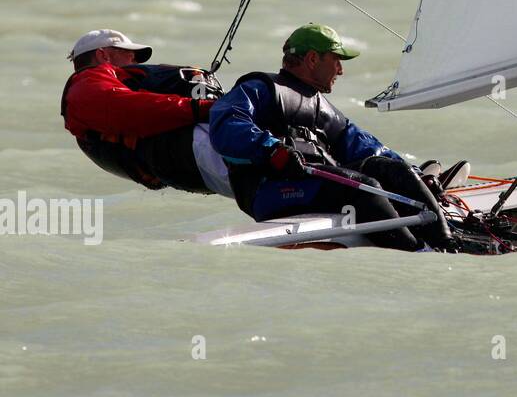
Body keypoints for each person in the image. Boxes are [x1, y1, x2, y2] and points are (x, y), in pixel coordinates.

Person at [208, 23, 451, 251]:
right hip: (269, 191)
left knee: (391, 171)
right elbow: (226, 124)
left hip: (315, 184)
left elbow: (366, 148)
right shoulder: (259, 90)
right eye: (337, 60)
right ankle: (419, 252)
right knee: (366, 187)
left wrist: (416, 175)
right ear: (313, 59)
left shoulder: (320, 106)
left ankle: (447, 242)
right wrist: (271, 149)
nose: (341, 70)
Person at [61, 29, 219, 194]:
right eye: (130, 54)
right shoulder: (84, 85)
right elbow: (134, 109)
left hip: (192, 167)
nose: (136, 62)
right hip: (196, 156)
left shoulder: (89, 95)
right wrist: (206, 108)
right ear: (103, 55)